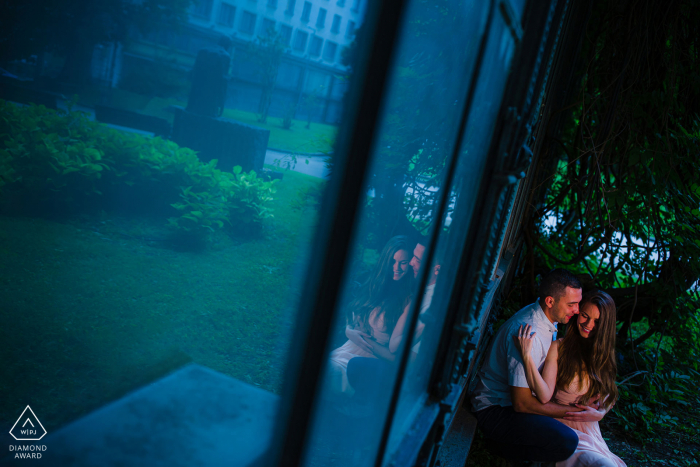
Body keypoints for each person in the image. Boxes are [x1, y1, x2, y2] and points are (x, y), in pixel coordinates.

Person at [470, 268, 590, 464]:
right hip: (494, 409)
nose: (577, 311)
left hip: (514, 402)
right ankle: (501, 448)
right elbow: (522, 404)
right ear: (550, 301)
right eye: (572, 305)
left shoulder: (546, 317)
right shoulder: (528, 332)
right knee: (566, 442)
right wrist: (580, 413)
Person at [514, 290, 625, 467]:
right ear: (577, 313)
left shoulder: (603, 355)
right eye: (585, 316)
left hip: (589, 429)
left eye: (597, 321)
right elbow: (543, 396)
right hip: (564, 425)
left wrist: (601, 413)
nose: (588, 324)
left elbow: (609, 395)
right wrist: (527, 357)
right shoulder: (559, 347)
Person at [329, 235, 414, 396]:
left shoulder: (408, 300)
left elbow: (396, 356)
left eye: (403, 263)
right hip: (348, 348)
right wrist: (349, 330)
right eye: (392, 261)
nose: (396, 268)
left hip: (369, 362)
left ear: (410, 264)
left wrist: (364, 340)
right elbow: (353, 310)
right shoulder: (376, 284)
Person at [186, 36, 232, 118]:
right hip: (210, 101)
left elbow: (193, 73)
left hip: (195, 98)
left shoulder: (202, 51)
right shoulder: (225, 56)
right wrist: (221, 104)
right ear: (228, 46)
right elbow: (223, 80)